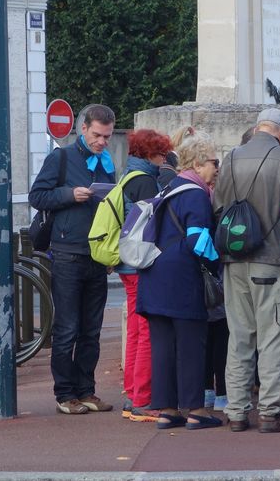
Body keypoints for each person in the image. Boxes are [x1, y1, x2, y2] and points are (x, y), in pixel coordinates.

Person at [213, 108, 280, 433]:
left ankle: (237, 411)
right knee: (276, 336)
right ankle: (271, 411)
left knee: (239, 337)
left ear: (257, 129)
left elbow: (217, 205)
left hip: (234, 260)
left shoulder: (231, 157)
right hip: (275, 259)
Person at [29, 103, 117, 415]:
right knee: (67, 328)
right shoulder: (61, 158)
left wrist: (110, 252)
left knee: (91, 330)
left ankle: (87, 390)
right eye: (97, 135)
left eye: (106, 136)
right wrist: (70, 194)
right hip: (66, 254)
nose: (102, 142)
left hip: (97, 256)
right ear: (83, 129)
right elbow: (37, 196)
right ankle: (65, 394)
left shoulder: (106, 164)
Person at [136, 132, 224, 431]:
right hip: (181, 279)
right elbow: (198, 240)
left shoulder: (168, 187)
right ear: (199, 164)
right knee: (190, 345)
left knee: (163, 347)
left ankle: (167, 410)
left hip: (153, 276)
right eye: (214, 162)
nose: (217, 169)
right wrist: (218, 265)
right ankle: (196, 410)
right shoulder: (196, 194)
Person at [114, 129, 174, 423]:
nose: (164, 160)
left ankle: (131, 393)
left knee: (136, 331)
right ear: (151, 153)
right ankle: (143, 399)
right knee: (146, 332)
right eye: (162, 154)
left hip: (126, 264)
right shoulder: (146, 181)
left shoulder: (128, 176)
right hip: (140, 264)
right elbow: (152, 224)